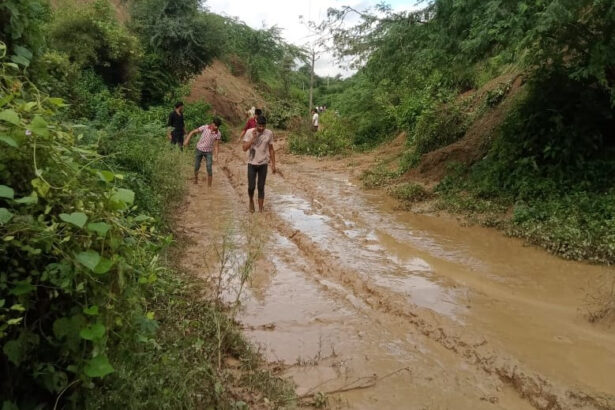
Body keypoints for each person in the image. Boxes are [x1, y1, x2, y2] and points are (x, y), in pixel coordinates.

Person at [242, 115, 276, 213]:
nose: (261, 128)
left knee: (261, 187)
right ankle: (251, 200)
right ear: (256, 124)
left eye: (263, 126)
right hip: (251, 163)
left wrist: (273, 164)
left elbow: (271, 149)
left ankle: (260, 211)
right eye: (259, 126)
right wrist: (253, 138)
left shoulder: (269, 133)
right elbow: (244, 148)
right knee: (251, 187)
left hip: (263, 164)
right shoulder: (249, 132)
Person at [184, 117, 223, 186]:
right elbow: (193, 132)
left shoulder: (218, 133)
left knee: (209, 167)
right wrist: (187, 140)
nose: (216, 128)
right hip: (199, 149)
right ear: (213, 123)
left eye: (218, 126)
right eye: (215, 126)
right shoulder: (205, 127)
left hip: (208, 152)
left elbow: (216, 146)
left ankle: (209, 187)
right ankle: (196, 180)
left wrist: (216, 156)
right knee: (196, 166)